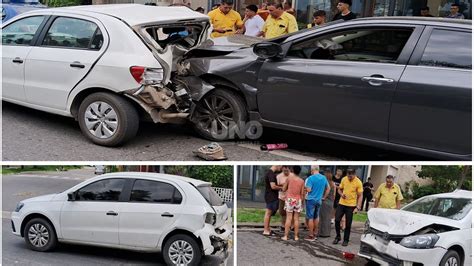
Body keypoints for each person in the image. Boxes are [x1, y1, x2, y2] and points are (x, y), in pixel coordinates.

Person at [333, 168, 362, 246]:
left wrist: (358, 207)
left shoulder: (358, 182)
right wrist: (341, 194)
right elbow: (339, 189)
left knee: (348, 224)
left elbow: (360, 195)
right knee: (337, 220)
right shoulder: (344, 179)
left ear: (354, 174)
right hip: (342, 203)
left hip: (351, 205)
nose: (349, 178)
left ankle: (346, 240)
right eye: (348, 176)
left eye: (351, 176)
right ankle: (338, 236)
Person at [304, 165, 330, 241]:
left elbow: (309, 190)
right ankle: (315, 233)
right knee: (316, 217)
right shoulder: (324, 178)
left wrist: (305, 188)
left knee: (310, 218)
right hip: (319, 200)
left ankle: (311, 235)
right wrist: (324, 197)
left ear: (312, 170)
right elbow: (328, 188)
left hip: (311, 200)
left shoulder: (310, 178)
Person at [281, 166, 305, 241]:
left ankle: (285, 236)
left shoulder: (289, 179)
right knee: (296, 219)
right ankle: (296, 236)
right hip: (298, 200)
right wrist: (302, 202)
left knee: (288, 218)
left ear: (292, 170)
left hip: (289, 200)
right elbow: (302, 193)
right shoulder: (302, 181)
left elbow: (284, 189)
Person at [263, 165, 283, 236]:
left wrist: (280, 185)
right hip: (271, 196)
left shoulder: (269, 173)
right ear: (278, 165)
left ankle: (267, 228)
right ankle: (266, 230)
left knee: (269, 213)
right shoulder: (271, 174)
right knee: (268, 213)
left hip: (269, 195)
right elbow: (273, 186)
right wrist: (281, 188)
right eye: (281, 167)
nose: (281, 169)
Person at [318, 169, 336, 238]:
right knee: (328, 218)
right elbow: (334, 195)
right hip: (330, 202)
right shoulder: (333, 184)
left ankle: (321, 232)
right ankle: (327, 233)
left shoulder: (324, 183)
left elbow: (322, 192)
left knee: (322, 218)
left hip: (324, 201)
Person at [276, 166, 290, 231]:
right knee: (282, 212)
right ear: (282, 169)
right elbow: (276, 186)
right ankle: (282, 225)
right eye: (284, 171)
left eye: (287, 171)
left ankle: (290, 226)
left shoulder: (291, 176)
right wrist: (283, 186)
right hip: (282, 196)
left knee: (289, 212)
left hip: (290, 197)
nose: (286, 172)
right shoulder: (279, 176)